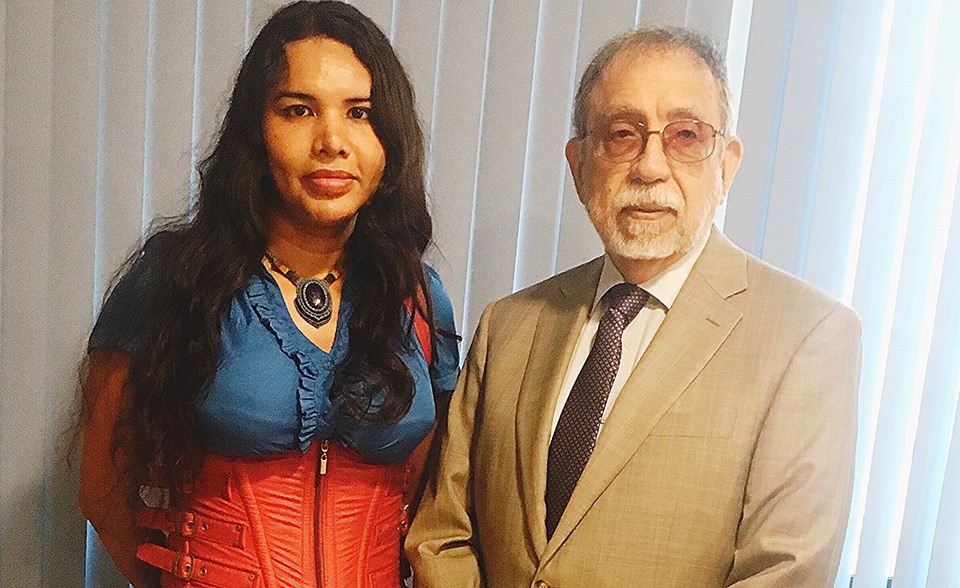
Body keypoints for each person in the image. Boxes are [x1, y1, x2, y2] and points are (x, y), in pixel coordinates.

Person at [406, 26, 860, 588]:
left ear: (726, 166)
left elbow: (784, 573)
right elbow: (442, 536)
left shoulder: (807, 337)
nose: (650, 167)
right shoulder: (509, 325)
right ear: (578, 165)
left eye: (686, 135)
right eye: (622, 134)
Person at [78, 2, 459, 586]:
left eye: (360, 113)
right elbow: (103, 486)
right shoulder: (173, 280)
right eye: (298, 110)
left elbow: (424, 492)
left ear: (390, 139)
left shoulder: (418, 297)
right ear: (257, 129)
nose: (331, 141)